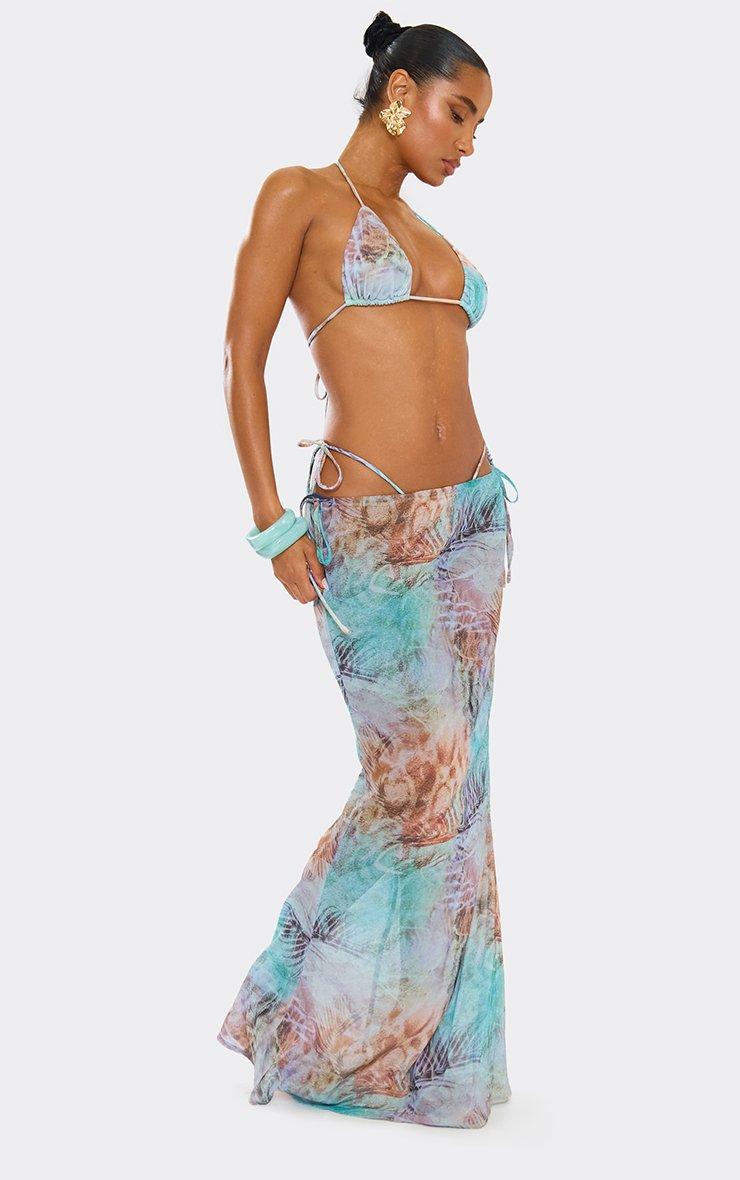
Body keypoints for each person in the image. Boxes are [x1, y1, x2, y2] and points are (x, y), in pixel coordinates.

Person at [217, 11, 519, 1129]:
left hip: (474, 522)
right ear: (398, 93)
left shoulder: (421, 227)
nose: (468, 143)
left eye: (479, 126)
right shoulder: (299, 196)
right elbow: (241, 358)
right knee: (415, 779)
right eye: (458, 113)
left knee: (458, 789)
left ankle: (431, 1053)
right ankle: (296, 1017)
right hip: (371, 532)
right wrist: (270, 525)